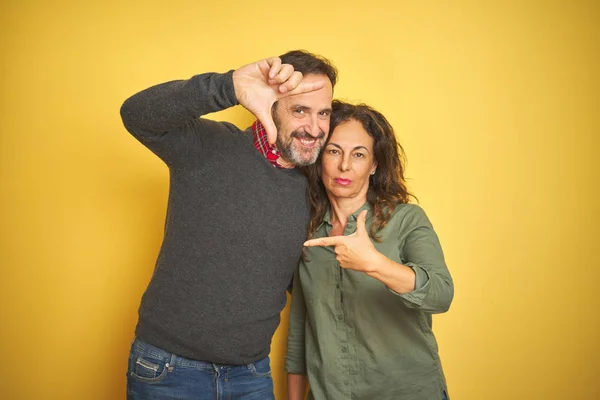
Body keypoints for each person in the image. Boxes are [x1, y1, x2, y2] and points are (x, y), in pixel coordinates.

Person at [119, 50, 337, 399]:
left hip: (251, 375)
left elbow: (299, 280)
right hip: (168, 371)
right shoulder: (209, 146)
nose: (314, 128)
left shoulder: (316, 188)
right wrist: (228, 85)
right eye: (300, 110)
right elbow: (136, 114)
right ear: (271, 105)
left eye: (323, 113)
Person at [286, 101, 454, 400]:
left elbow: (441, 294)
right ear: (319, 157)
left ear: (374, 164)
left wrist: (374, 263)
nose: (345, 166)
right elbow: (300, 332)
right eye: (334, 151)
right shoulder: (307, 233)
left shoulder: (406, 219)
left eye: (359, 154)